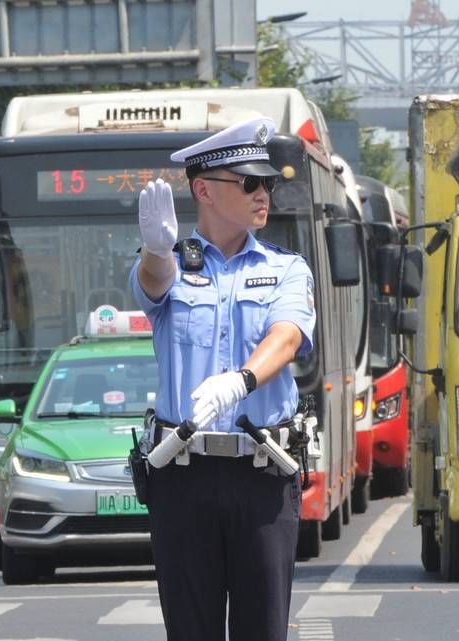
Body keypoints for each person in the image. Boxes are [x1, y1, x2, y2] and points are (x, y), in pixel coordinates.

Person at [128, 117, 315, 641]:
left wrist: (242, 380)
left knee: (262, 631)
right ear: (204, 190)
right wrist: (155, 249)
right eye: (250, 183)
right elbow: (153, 284)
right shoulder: (173, 264)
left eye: (269, 184)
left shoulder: (286, 269)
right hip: (183, 476)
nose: (264, 194)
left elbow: (287, 335)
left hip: (261, 473)